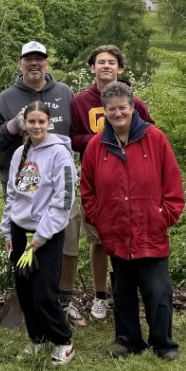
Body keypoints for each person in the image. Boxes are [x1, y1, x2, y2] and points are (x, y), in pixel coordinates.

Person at [81, 82, 183, 360]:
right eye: (111, 109)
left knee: (158, 291)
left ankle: (163, 343)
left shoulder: (155, 138)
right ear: (104, 111)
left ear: (132, 107)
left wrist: (164, 216)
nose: (118, 113)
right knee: (123, 290)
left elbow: (173, 182)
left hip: (150, 229)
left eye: (122, 108)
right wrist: (101, 220)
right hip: (115, 231)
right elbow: (88, 189)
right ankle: (127, 340)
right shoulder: (96, 145)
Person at [0, 41, 77, 319]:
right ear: (20, 64)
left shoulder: (65, 93)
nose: (34, 63)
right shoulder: (6, 98)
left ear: (47, 62)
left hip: (60, 187)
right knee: (23, 248)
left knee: (66, 244)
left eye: (39, 58)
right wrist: (12, 126)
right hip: (25, 189)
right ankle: (30, 304)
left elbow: (79, 133)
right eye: (28, 59)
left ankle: (63, 301)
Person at [68, 45, 154, 323]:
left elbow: (150, 131)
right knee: (99, 239)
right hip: (98, 179)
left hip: (132, 180)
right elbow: (72, 138)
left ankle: (129, 294)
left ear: (120, 68)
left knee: (131, 235)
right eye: (101, 62)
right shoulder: (81, 102)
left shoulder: (132, 101)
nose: (106, 66)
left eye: (111, 62)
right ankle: (100, 296)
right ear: (92, 68)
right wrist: (102, 140)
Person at [1, 101, 76, 364]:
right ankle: (37, 338)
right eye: (31, 121)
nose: (36, 126)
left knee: (44, 293)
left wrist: (41, 237)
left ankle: (63, 341)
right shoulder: (19, 153)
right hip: (20, 232)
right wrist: (8, 231)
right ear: (25, 124)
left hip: (46, 234)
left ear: (49, 123)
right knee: (25, 291)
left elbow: (64, 199)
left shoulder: (59, 154)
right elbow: (12, 195)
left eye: (41, 121)